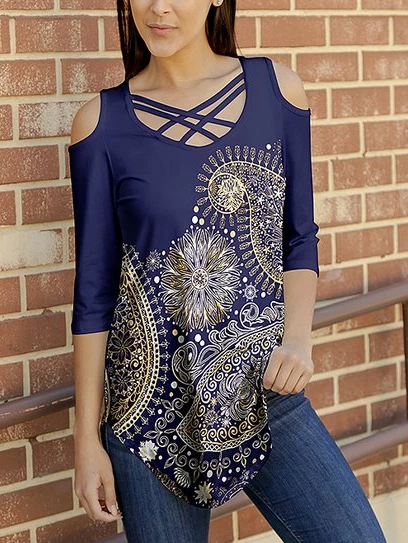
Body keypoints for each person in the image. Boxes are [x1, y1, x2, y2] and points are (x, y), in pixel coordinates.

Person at [69, 1, 387, 542]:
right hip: (150, 416)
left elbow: (298, 236)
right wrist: (86, 441)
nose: (158, 7)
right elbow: (94, 294)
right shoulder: (99, 125)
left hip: (265, 387)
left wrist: (298, 339)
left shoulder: (277, 91)